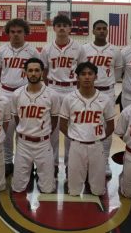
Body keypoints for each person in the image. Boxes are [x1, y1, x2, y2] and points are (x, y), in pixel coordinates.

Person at [41, 14, 87, 177]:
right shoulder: (47, 48)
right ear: (54, 28)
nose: (61, 28)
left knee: (71, 129)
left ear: (70, 29)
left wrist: (79, 91)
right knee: (51, 128)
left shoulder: (79, 48)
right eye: (58, 25)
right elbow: (44, 70)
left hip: (72, 89)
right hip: (53, 88)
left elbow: (83, 71)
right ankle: (52, 163)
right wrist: (47, 90)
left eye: (65, 25)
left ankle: (70, 162)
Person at [59, 61, 115, 196]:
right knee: (73, 191)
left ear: (96, 76)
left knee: (98, 190)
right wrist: (73, 136)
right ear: (77, 77)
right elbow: (62, 124)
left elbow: (111, 125)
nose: (87, 77)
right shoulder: (69, 98)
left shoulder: (105, 99)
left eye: (90, 74)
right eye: (83, 74)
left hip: (97, 145)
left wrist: (100, 137)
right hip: (76, 145)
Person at [0, 18, 39, 176]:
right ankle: (7, 161)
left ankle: (25, 161)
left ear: (25, 33)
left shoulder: (32, 51)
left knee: (26, 129)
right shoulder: (1, 50)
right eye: (12, 32)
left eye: (19, 32)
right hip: (6, 93)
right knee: (7, 129)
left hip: (26, 93)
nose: (15, 35)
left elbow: (37, 72)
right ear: (8, 33)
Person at [11, 58, 59, 193]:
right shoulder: (17, 94)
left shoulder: (52, 95)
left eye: (37, 70)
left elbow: (54, 119)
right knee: (18, 188)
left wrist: (43, 132)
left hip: (43, 143)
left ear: (42, 73)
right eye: (30, 70)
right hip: (23, 143)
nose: (33, 73)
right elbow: (16, 117)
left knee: (48, 189)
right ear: (25, 72)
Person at [83, 19, 122, 177]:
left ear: (107, 31)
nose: (101, 31)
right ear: (93, 31)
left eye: (104, 29)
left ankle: (104, 161)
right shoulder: (84, 49)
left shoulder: (115, 50)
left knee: (106, 126)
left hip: (107, 92)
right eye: (98, 28)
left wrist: (108, 82)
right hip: (88, 91)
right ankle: (86, 160)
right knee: (88, 123)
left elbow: (118, 72)